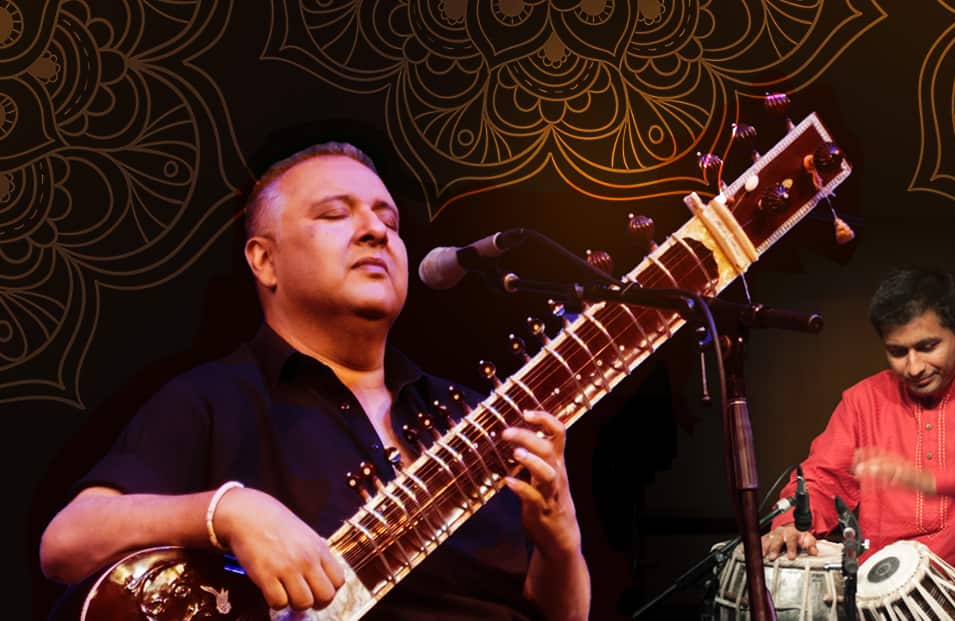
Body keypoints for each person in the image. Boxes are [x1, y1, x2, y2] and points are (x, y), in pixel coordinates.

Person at [38, 141, 591, 620]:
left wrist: (560, 540)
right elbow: (67, 543)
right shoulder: (212, 400)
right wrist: (227, 511)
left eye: (390, 222)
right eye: (334, 215)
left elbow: (561, 613)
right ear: (264, 261)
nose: (376, 230)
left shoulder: (476, 417)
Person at [762, 267, 955, 620]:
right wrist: (792, 523)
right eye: (898, 351)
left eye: (927, 347)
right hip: (879, 604)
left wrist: (931, 480)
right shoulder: (863, 401)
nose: (914, 367)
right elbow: (821, 479)